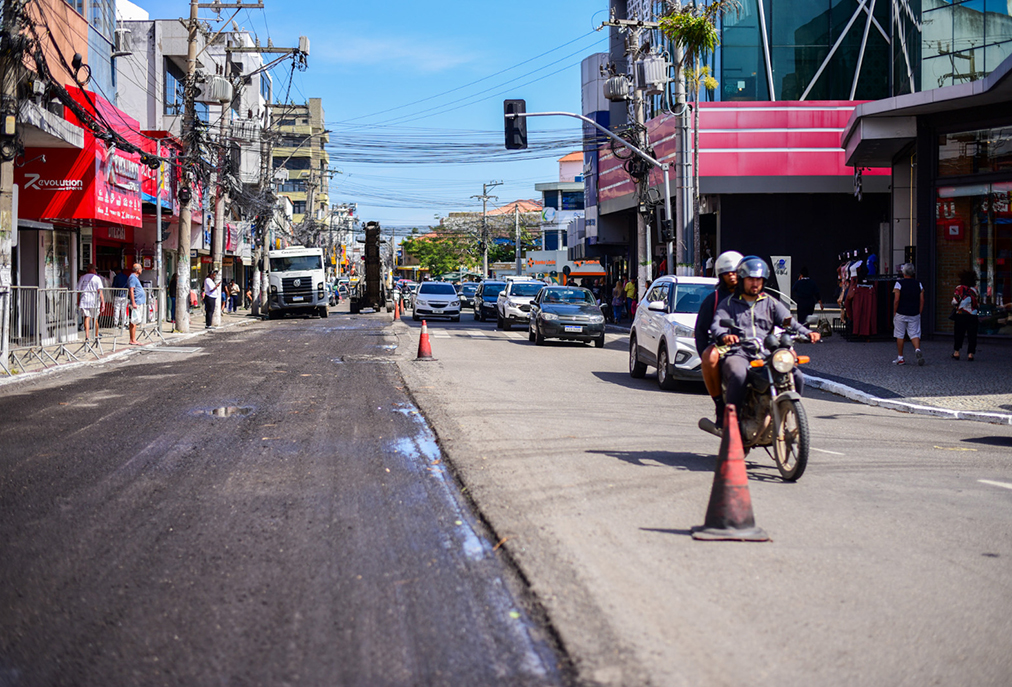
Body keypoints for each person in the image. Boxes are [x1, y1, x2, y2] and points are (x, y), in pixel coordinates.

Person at [710, 256, 820, 419]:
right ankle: (732, 420)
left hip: (767, 353)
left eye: (759, 279)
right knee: (739, 374)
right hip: (740, 352)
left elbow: (789, 322)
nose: (755, 283)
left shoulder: (771, 303)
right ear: (741, 279)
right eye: (750, 279)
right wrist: (725, 336)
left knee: (796, 375)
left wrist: (807, 332)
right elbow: (717, 324)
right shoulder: (728, 304)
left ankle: (789, 415)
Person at [694, 250, 743, 428]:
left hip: (752, 344)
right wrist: (705, 357)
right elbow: (700, 332)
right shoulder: (713, 300)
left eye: (735, 271)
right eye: (727, 272)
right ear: (720, 275)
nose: (732, 276)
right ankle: (720, 406)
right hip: (725, 346)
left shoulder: (753, 295)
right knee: (711, 356)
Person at [892, 263, 924, 365]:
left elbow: (896, 300)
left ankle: (900, 357)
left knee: (900, 334)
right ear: (913, 272)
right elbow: (922, 300)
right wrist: (920, 311)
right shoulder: (918, 284)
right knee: (914, 333)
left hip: (901, 312)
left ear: (903, 272)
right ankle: (917, 349)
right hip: (914, 312)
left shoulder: (899, 284)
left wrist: (895, 311)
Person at [951, 270, 979, 361]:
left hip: (961, 314)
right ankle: (970, 354)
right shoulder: (975, 290)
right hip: (972, 315)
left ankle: (956, 352)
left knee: (959, 333)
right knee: (972, 334)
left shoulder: (959, 288)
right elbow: (977, 304)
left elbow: (955, 301)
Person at [76, 263, 105, 342]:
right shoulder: (97, 278)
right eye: (94, 269)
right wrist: (103, 302)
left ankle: (87, 336)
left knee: (87, 318)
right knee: (95, 319)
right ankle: (96, 335)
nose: (95, 271)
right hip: (94, 301)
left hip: (84, 300)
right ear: (92, 269)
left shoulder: (82, 278)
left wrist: (77, 301)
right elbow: (100, 291)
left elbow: (78, 290)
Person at [127, 263, 146, 345]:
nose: (141, 270)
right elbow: (131, 290)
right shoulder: (132, 278)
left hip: (138, 301)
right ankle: (133, 339)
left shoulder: (135, 278)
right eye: (141, 269)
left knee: (135, 321)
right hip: (136, 302)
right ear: (138, 270)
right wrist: (134, 302)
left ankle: (133, 339)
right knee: (134, 321)